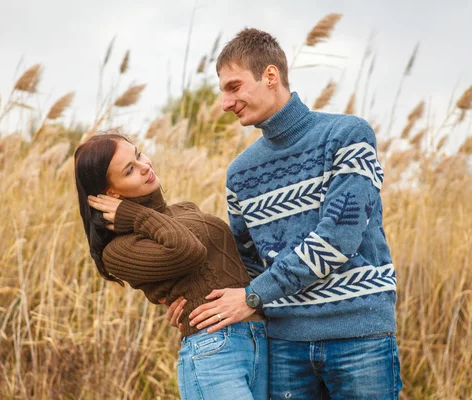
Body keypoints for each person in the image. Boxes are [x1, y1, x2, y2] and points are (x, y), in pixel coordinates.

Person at [172, 28, 403, 399]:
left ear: (270, 75)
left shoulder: (347, 135)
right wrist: (191, 299)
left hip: (357, 337)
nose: (225, 102)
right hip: (284, 347)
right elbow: (246, 263)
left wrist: (251, 297)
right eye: (222, 91)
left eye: (233, 87)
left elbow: (337, 239)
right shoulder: (240, 173)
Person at [74, 132, 268, 400]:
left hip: (258, 337)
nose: (145, 167)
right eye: (130, 170)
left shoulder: (184, 210)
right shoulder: (118, 250)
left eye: (139, 154)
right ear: (112, 193)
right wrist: (137, 214)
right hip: (214, 348)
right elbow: (188, 250)